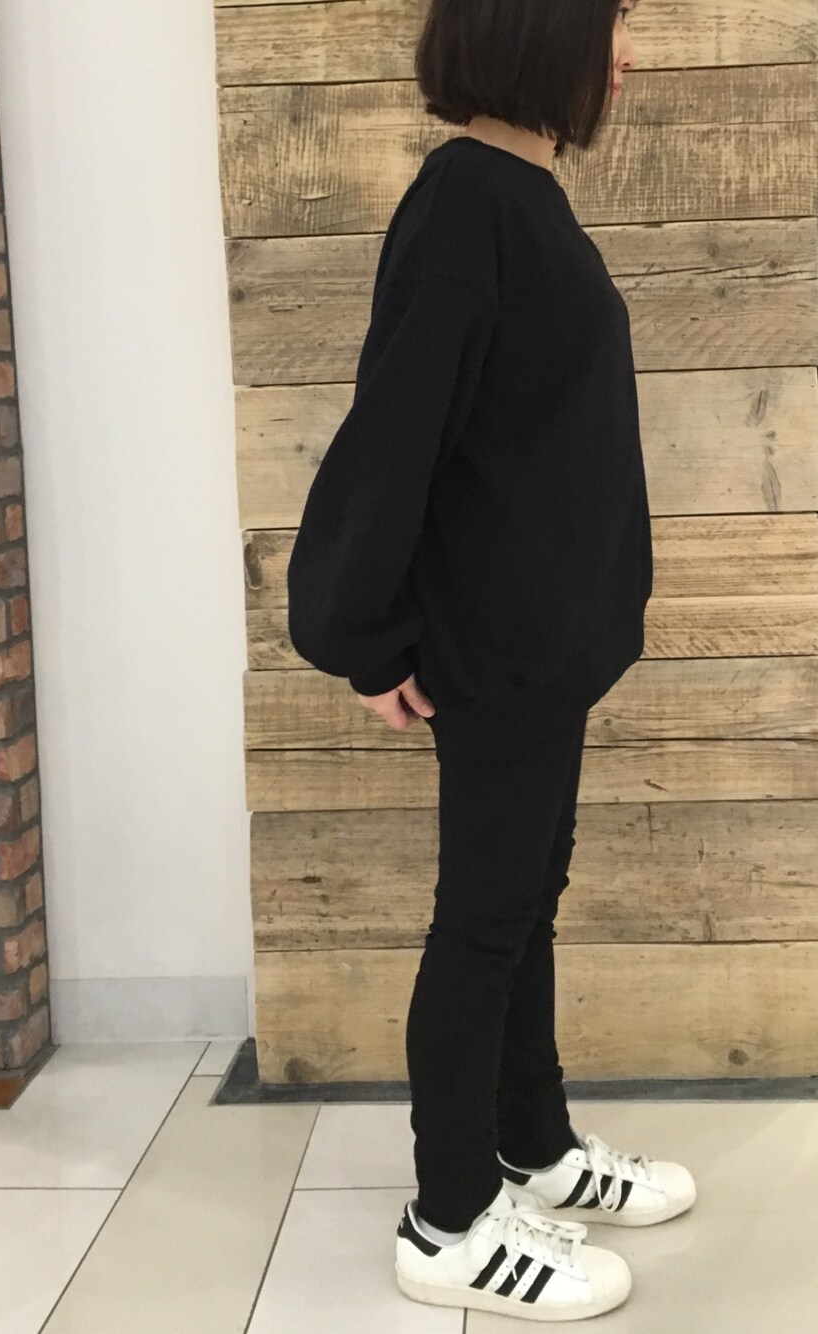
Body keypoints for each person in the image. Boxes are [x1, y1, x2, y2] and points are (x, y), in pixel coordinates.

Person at [286, 0, 699, 1321]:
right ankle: (450, 1215)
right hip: (499, 648)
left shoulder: (519, 194)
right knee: (483, 921)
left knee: (523, 902)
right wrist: (365, 635)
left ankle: (534, 1142)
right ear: (541, 28)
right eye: (615, 20)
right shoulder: (467, 204)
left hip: (544, 646)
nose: (628, 52)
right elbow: (396, 430)